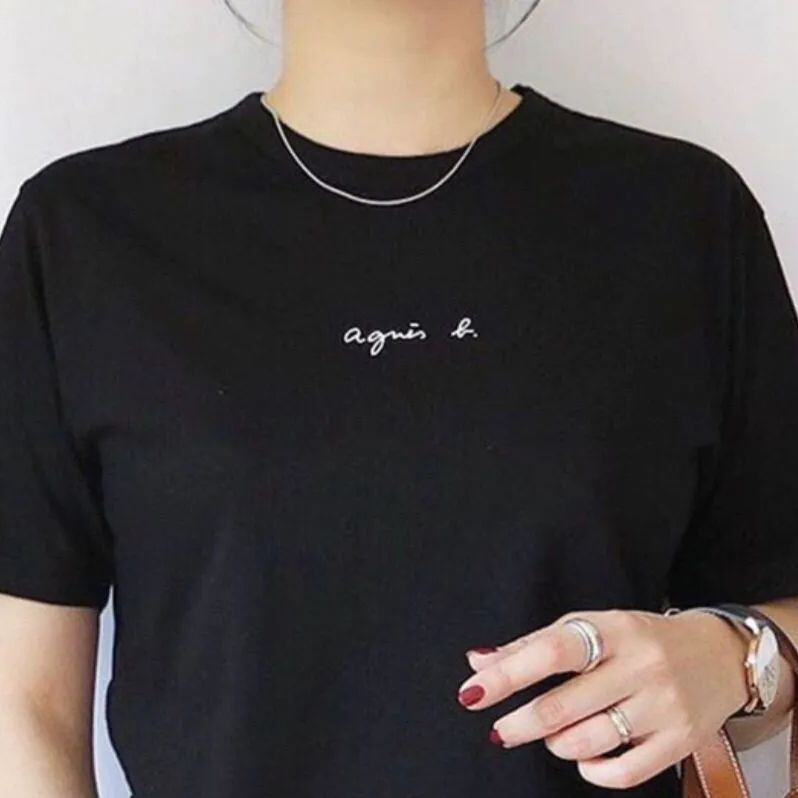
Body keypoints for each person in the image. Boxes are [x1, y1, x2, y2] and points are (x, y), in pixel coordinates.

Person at [1, 1, 797, 796]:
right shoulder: (85, 235)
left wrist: (737, 655)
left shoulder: (682, 219)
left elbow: (778, 601)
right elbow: (24, 707)